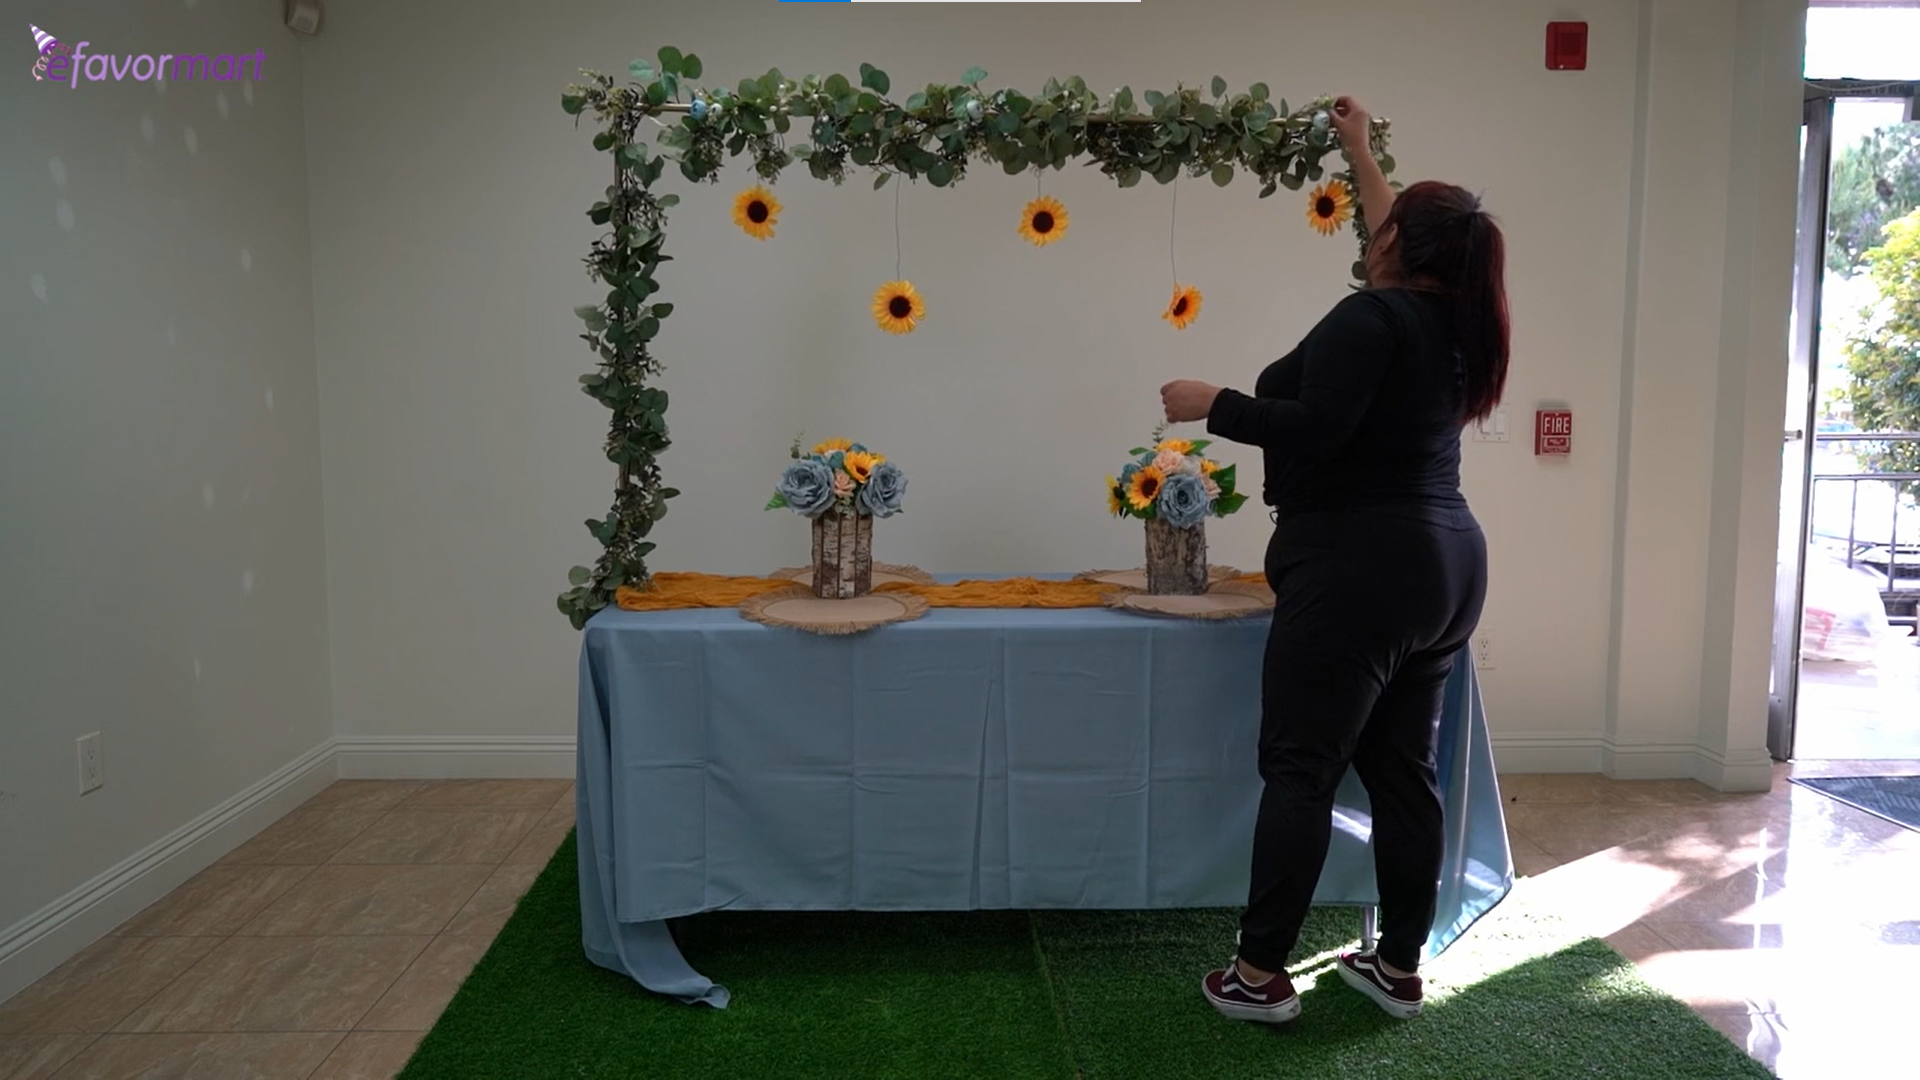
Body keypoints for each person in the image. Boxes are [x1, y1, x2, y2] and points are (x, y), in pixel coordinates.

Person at [1158, 96, 1508, 1025]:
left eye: (1383, 226)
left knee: (1301, 770)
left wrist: (1214, 400)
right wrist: (1357, 149)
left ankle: (1259, 975)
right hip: (1446, 568)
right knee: (1403, 775)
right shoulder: (1457, 321)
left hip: (1360, 567)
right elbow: (1395, 226)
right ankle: (1397, 966)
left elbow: (1315, 431)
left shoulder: (1371, 321)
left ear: (1400, 246)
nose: (1372, 230)